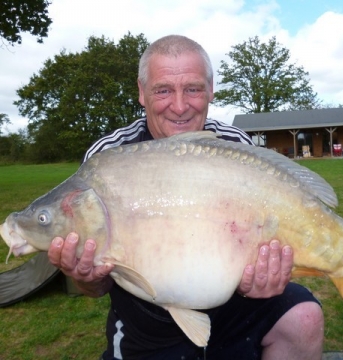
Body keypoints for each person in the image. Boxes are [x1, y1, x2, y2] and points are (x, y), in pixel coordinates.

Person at [48, 35, 324, 360]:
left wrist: (266, 276)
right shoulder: (109, 157)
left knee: (304, 316)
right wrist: (85, 277)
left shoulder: (236, 144)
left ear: (210, 90)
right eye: (163, 90)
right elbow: (96, 286)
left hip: (236, 304)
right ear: (141, 92)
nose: (179, 106)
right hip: (146, 323)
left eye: (192, 89)